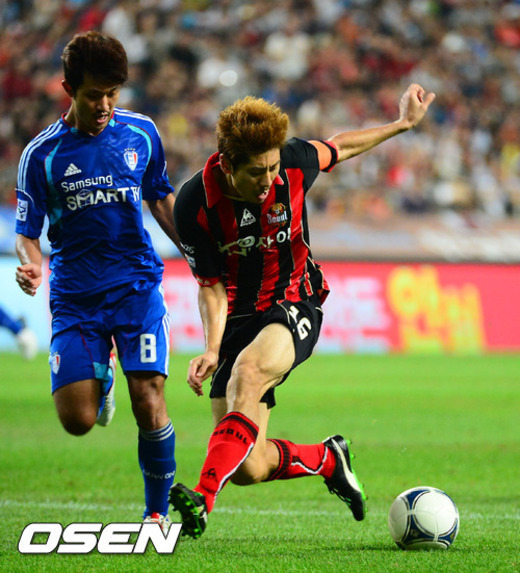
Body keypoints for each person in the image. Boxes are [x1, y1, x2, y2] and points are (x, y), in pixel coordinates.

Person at [169, 83, 436, 538]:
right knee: (249, 466)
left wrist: (402, 124)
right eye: (257, 172)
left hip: (295, 298)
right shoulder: (193, 204)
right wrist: (212, 348)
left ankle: (202, 498)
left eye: (274, 167)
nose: (269, 180)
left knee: (249, 373)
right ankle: (328, 458)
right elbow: (210, 286)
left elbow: (339, 147)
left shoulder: (293, 161)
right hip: (238, 318)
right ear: (227, 165)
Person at [14, 31, 179, 531]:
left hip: (135, 285)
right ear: (68, 89)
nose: (104, 105)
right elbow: (26, 232)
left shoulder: (142, 133)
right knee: (78, 421)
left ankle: (156, 513)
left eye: (112, 93)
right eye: (93, 95)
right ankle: (100, 375)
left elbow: (160, 196)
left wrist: (197, 254)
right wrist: (32, 264)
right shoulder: (41, 155)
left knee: (148, 395)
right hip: (76, 295)